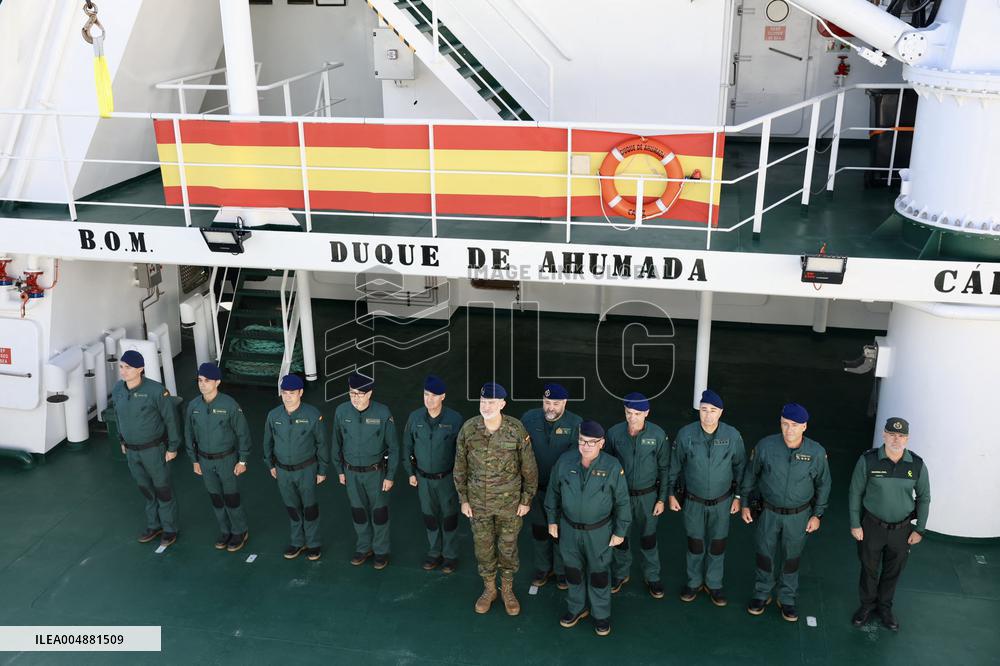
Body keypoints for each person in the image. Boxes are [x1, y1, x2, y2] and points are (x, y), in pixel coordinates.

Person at [454, 382, 538, 616]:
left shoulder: (515, 429)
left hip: (509, 506)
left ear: (502, 404)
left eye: (491, 402)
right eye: (483, 402)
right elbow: (460, 467)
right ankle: (489, 589)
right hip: (478, 505)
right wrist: (464, 499)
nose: (486, 406)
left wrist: (526, 499)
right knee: (483, 548)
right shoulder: (469, 429)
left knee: (508, 548)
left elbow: (529, 468)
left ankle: (508, 590)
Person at [741, 403, 831, 622]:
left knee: (791, 559)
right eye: (785, 424)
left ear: (804, 427)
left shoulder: (816, 452)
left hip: (798, 516)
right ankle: (762, 593)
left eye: (794, 425)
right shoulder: (765, 446)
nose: (789, 430)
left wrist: (817, 515)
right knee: (764, 555)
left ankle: (787, 598)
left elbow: (823, 485)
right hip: (768, 513)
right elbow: (750, 476)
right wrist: (744, 503)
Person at [546, 420, 631, 637]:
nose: (586, 446)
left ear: (602, 443)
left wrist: (620, 531)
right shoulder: (565, 462)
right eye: (583, 441)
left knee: (599, 575)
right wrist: (552, 520)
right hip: (569, 529)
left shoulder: (612, 466)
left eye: (592, 442)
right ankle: (577, 608)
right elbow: (553, 493)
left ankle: (601, 614)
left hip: (599, 532)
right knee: (573, 572)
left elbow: (622, 502)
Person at [848, 417, 930, 632]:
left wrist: (920, 528)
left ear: (907, 438)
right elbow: (855, 492)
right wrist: (855, 523)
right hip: (871, 526)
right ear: (884, 435)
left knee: (893, 571)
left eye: (901, 435)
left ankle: (884, 608)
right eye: (892, 434)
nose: (896, 439)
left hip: (902, 531)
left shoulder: (917, 464)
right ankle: (866, 606)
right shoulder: (868, 460)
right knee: (869, 569)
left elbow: (924, 497)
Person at [669, 389, 746, 606]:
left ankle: (714, 584)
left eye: (713, 410)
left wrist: (739, 497)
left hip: (722, 503)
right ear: (699, 411)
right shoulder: (686, 434)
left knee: (717, 545)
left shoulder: (732, 436)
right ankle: (693, 582)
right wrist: (670, 494)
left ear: (721, 412)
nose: (708, 415)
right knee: (695, 544)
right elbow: (674, 466)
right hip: (693, 502)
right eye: (704, 410)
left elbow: (741, 468)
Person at [111, 349, 182, 549]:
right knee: (146, 489)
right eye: (122, 367)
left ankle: (170, 529)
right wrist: (122, 441)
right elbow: (118, 417)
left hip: (154, 450)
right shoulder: (118, 389)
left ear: (140, 369)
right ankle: (154, 525)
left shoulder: (156, 391)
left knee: (163, 489)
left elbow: (171, 419)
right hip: (132, 451)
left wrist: (173, 446)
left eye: (128, 368)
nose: (123, 371)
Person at [331, 372, 399, 569]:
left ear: (369, 393)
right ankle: (363, 547)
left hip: (376, 474)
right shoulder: (341, 412)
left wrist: (390, 475)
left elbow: (393, 447)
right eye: (352, 393)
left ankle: (381, 551)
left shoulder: (383, 413)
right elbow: (336, 443)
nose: (355, 398)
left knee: (379, 514)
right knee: (358, 512)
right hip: (350, 473)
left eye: (360, 394)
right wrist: (340, 471)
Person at [605, 392, 670, 599]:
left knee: (648, 538)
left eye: (637, 413)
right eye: (629, 413)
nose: (632, 417)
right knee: (620, 537)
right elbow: (607, 466)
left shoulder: (658, 435)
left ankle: (652, 577)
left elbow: (665, 470)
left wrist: (661, 499)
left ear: (646, 413)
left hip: (648, 497)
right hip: (621, 497)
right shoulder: (614, 434)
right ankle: (620, 573)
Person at [184, 362, 253, 552]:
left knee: (231, 498)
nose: (202, 384)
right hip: (204, 461)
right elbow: (189, 434)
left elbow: (243, 434)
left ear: (217, 382)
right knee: (216, 497)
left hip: (227, 460)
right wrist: (194, 460)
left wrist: (243, 460)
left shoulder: (230, 405)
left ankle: (240, 530)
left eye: (207, 380)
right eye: (199, 380)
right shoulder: (194, 406)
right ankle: (225, 530)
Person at [520, 383, 582, 589]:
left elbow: (576, 459)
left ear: (564, 403)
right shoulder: (529, 419)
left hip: (562, 491)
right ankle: (543, 567)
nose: (550, 407)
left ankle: (561, 569)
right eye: (547, 402)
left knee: (560, 532)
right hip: (536, 488)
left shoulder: (575, 423)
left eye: (555, 403)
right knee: (539, 530)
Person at [262, 374, 329, 561]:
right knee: (292, 507)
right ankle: (297, 541)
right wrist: (270, 464)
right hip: (282, 471)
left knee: (309, 508)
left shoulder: (313, 415)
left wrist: (322, 470)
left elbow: (322, 444)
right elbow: (267, 442)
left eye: (292, 392)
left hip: (306, 470)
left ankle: (313, 543)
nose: (288, 396)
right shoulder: (274, 416)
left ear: (300, 393)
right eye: (284, 392)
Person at [402, 375, 464, 573]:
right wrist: (410, 472)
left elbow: (462, 453)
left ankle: (450, 555)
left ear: (443, 397)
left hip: (446, 478)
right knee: (429, 517)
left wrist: (460, 479)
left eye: (434, 395)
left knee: (449, 518)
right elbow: (407, 447)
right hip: (423, 479)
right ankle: (434, 552)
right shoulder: (415, 418)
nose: (429, 399)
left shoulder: (454, 420)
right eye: (426, 394)